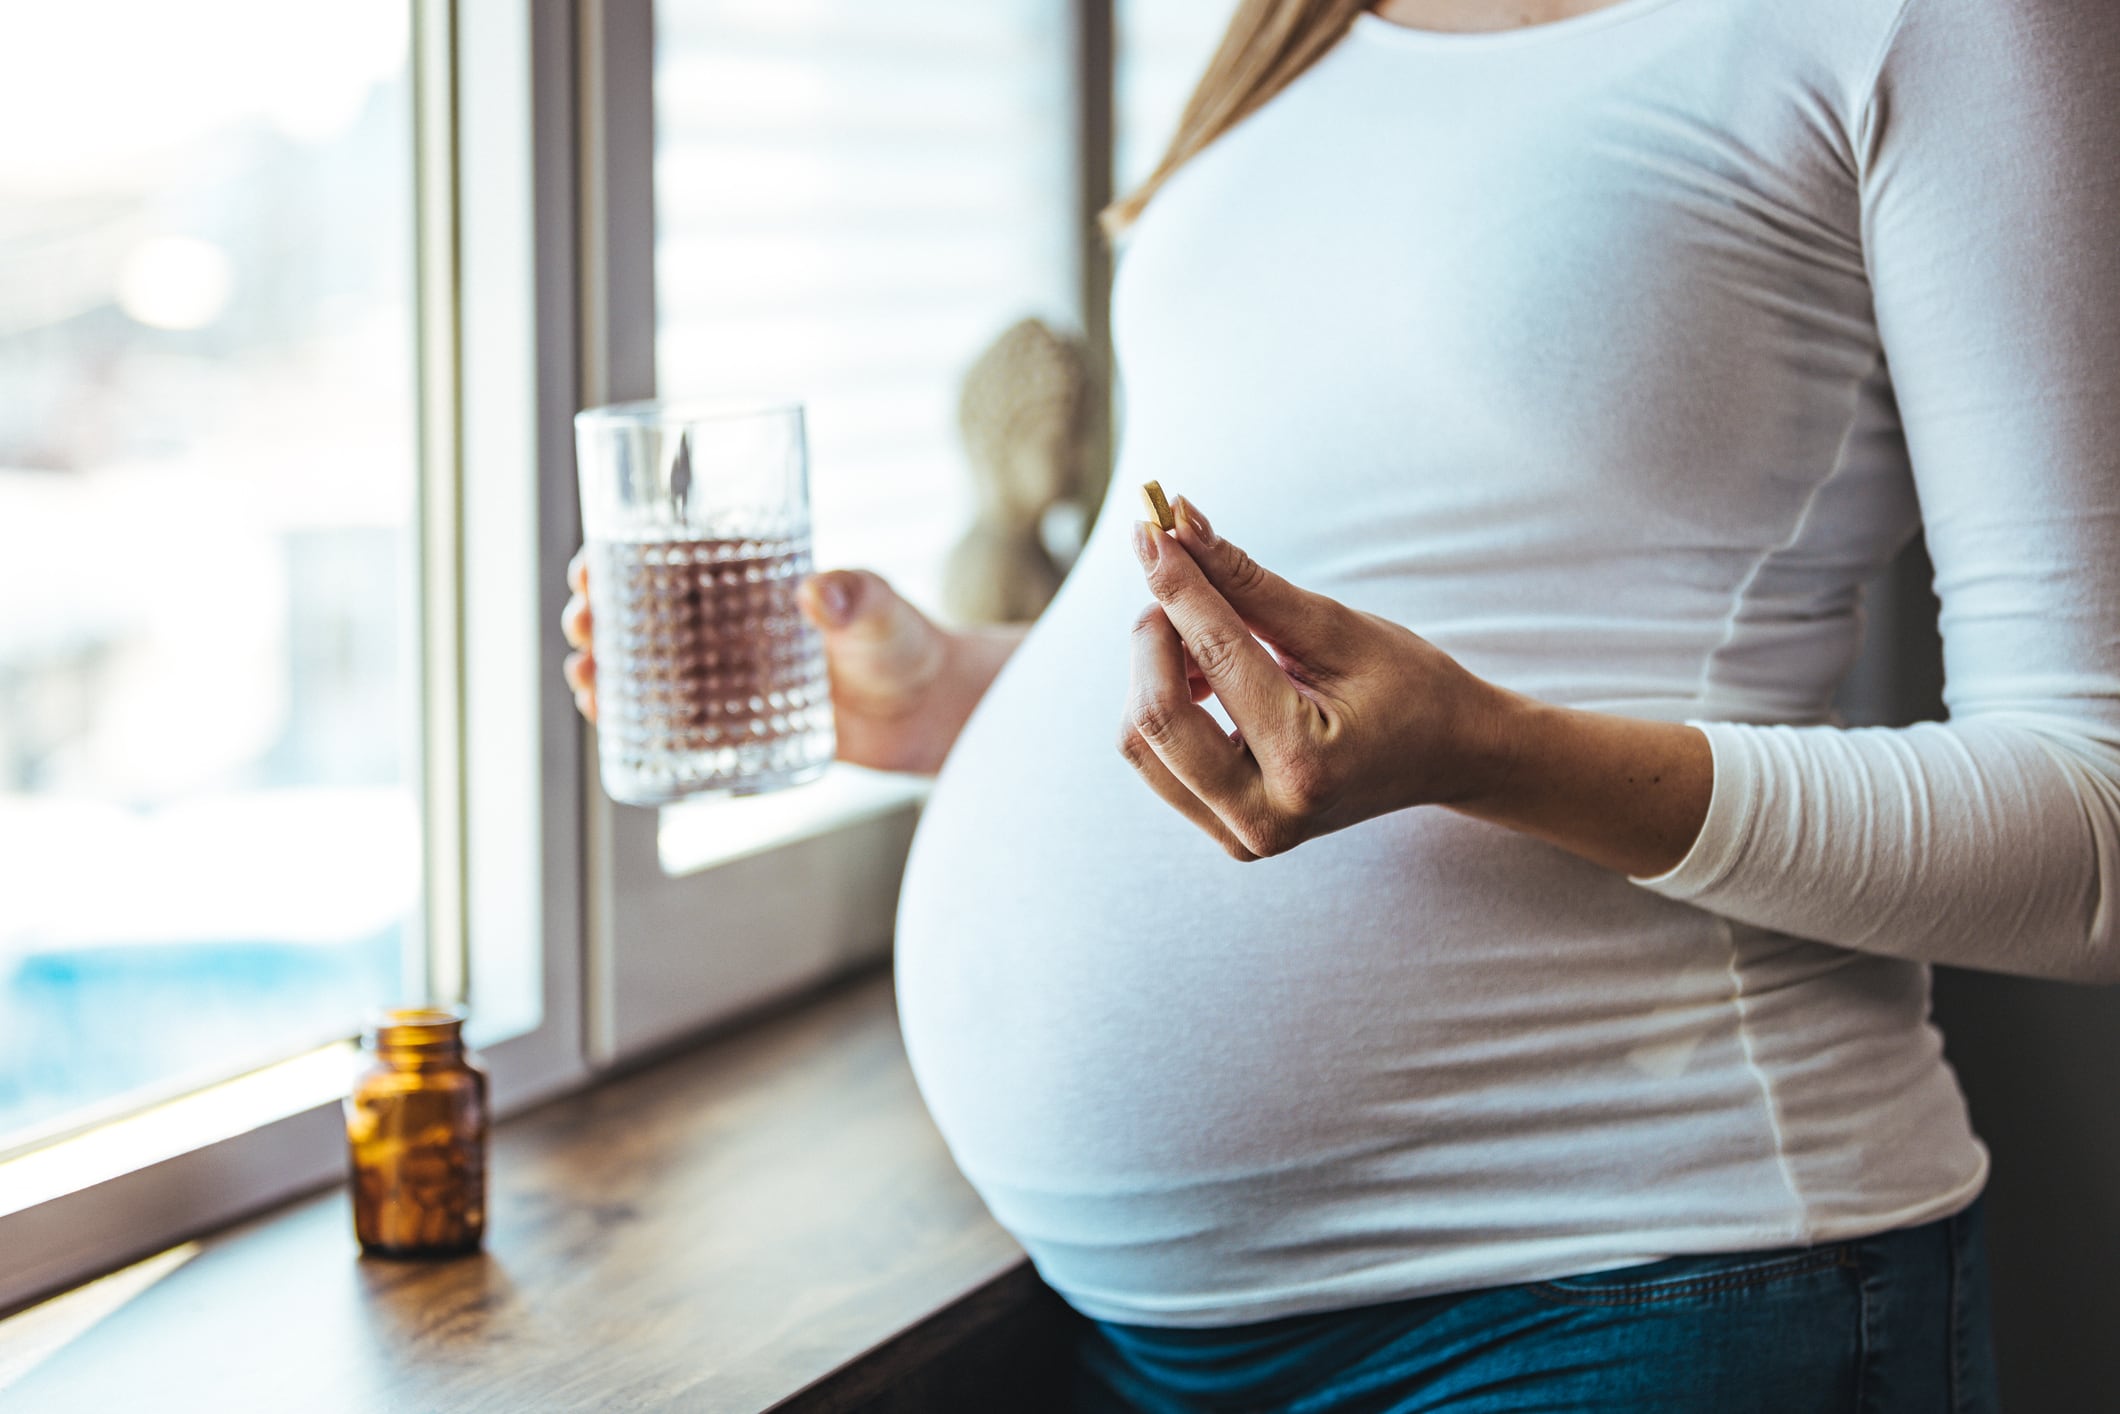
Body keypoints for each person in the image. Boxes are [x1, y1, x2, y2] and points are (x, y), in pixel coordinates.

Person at [565, 0, 2120, 1405]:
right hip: (1138, 1340)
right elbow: (1360, 592)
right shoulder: (1292, 28)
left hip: (1630, 1290)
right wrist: (966, 696)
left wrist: (1483, 750)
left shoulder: (1934, 23)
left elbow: (2095, 825)